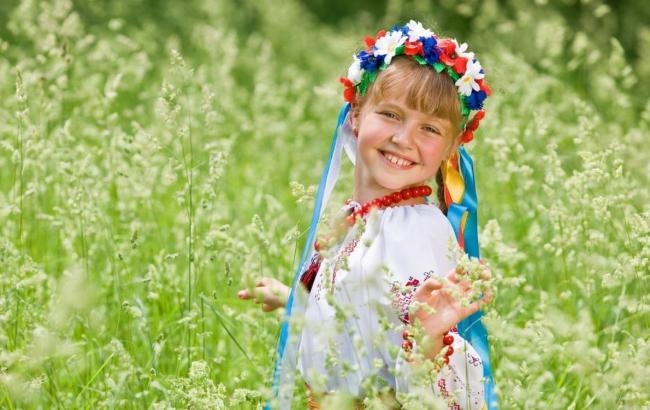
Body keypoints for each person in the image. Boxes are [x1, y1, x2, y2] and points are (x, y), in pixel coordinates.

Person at [238, 20, 497, 409]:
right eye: (391, 114)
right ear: (356, 114)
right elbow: (364, 318)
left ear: (450, 147)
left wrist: (427, 339)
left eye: (429, 129)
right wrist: (295, 302)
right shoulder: (360, 218)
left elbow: (426, 370)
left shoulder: (416, 229)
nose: (403, 138)